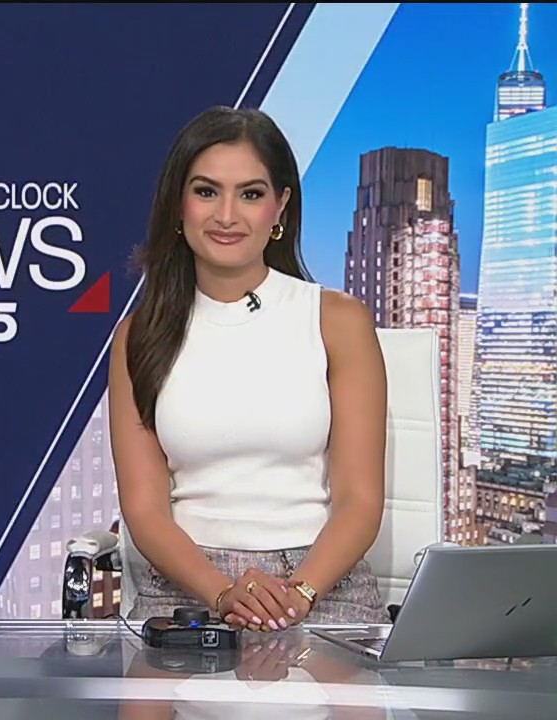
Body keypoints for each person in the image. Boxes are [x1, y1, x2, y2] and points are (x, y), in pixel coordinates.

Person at [108, 106, 388, 631]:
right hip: (187, 585)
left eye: (251, 194)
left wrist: (297, 593)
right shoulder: (137, 336)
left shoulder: (338, 321)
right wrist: (224, 593)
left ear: (280, 207)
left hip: (320, 581)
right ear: (178, 205)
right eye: (207, 191)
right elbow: (144, 512)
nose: (227, 216)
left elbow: (360, 501)